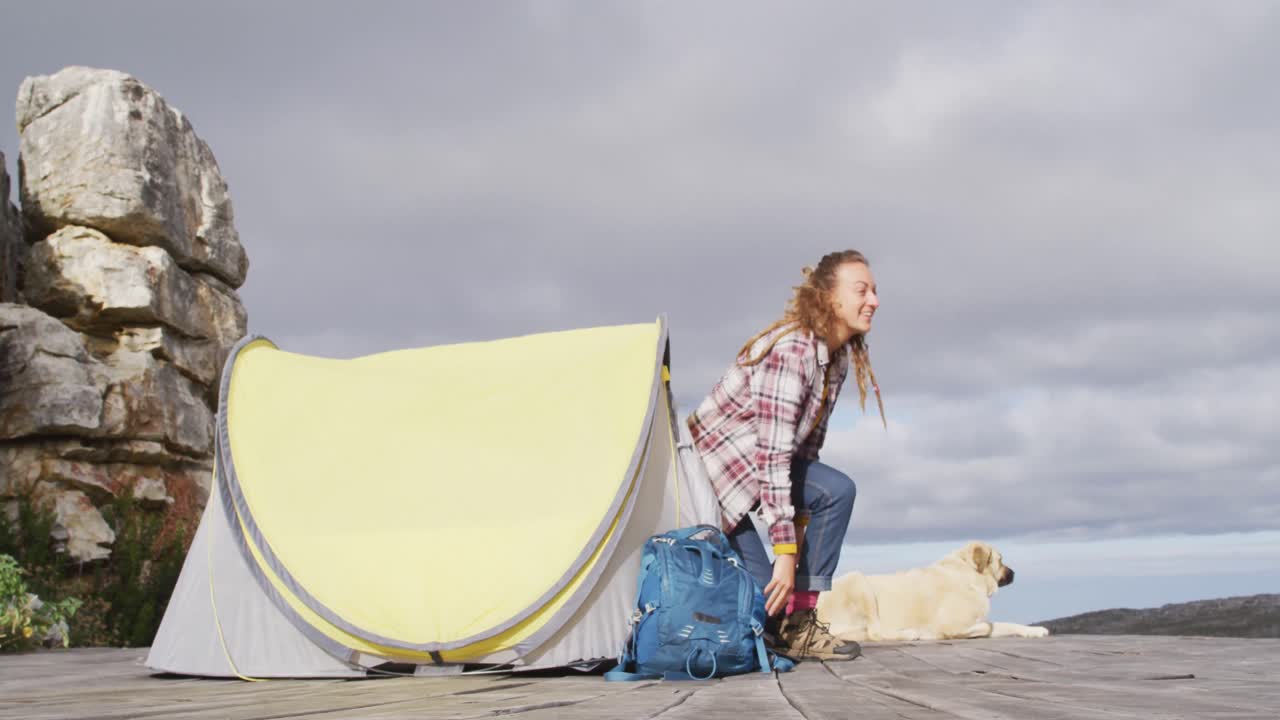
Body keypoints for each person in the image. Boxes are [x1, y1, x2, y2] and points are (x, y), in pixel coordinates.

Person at [687, 249, 884, 661]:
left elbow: (806, 451)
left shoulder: (835, 359)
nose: (874, 301)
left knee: (836, 490)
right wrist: (785, 554)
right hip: (715, 492)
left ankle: (799, 624)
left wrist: (797, 533)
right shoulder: (792, 351)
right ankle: (768, 621)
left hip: (759, 477)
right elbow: (773, 457)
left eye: (875, 291)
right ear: (829, 298)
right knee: (766, 605)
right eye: (861, 290)